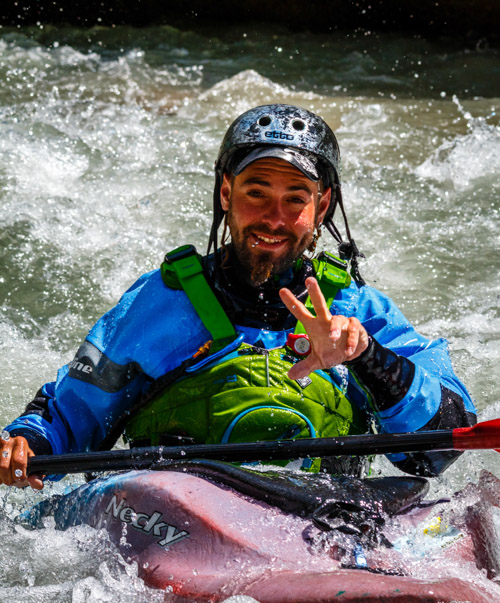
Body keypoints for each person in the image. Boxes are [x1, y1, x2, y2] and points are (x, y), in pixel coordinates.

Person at [0, 104, 476, 491]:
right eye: (256, 192)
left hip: (320, 518)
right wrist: (25, 445)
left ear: (322, 205)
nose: (274, 217)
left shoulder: (358, 310)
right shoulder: (165, 302)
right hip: (175, 522)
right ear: (226, 193)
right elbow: (69, 416)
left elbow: (437, 451)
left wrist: (367, 357)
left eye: (295, 198)